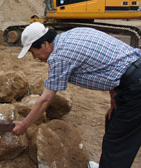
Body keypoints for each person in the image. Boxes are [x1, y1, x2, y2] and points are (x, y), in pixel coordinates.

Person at [12, 22, 141, 168]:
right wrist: (114, 96)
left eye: (32, 52)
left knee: (117, 144)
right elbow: (109, 61)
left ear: (45, 44)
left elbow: (45, 99)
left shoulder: (59, 56)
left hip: (135, 87)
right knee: (113, 123)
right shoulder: (74, 34)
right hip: (133, 77)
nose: (35, 57)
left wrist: (24, 125)